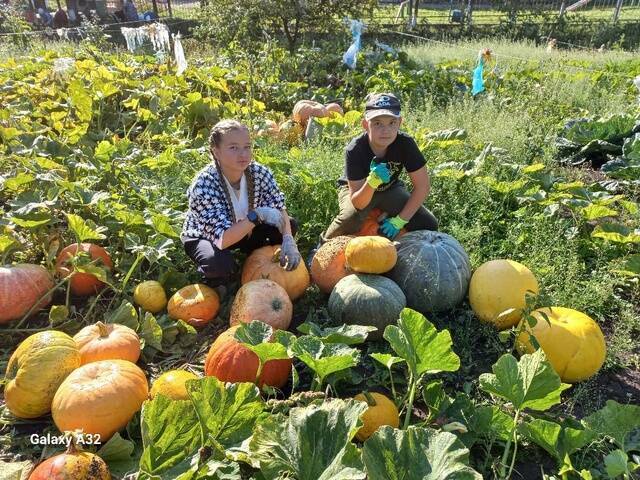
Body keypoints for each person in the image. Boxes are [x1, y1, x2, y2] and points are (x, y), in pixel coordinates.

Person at [181, 119, 301, 295]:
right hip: (208, 236)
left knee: (288, 224)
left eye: (247, 146)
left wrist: (288, 240)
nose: (243, 154)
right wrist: (257, 215)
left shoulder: (259, 173)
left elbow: (278, 205)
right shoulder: (204, 184)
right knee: (219, 263)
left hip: (245, 230)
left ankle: (253, 258)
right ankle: (215, 280)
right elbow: (222, 239)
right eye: (233, 148)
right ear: (216, 152)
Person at [319, 92, 438, 245]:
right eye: (377, 123)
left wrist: (400, 221)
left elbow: (422, 187)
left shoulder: (406, 144)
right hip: (358, 189)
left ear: (399, 123)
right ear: (365, 125)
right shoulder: (355, 149)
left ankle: (389, 221)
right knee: (350, 217)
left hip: (390, 188)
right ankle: (321, 247)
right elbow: (358, 203)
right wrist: (372, 181)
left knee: (428, 223)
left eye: (392, 123)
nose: (385, 130)